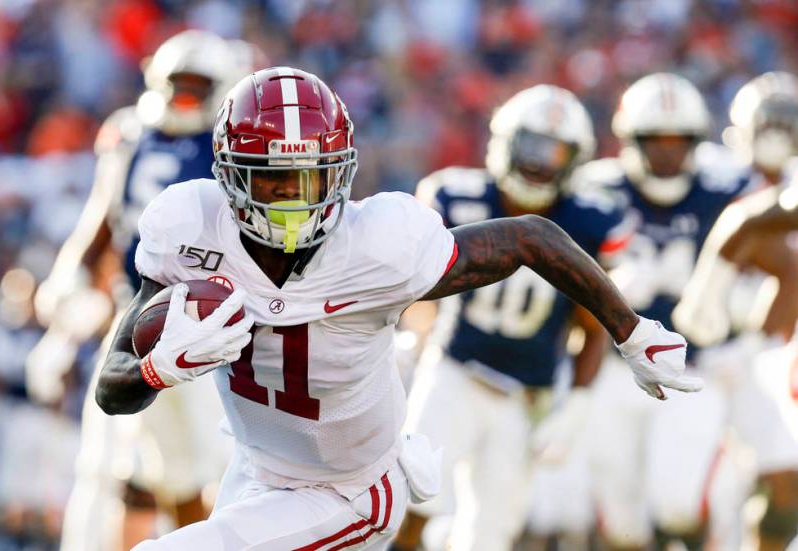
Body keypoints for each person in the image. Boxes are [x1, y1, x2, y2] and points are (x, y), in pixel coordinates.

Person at [95, 66, 699, 550]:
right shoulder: (191, 229)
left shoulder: (379, 243)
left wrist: (631, 331)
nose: (291, 201)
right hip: (254, 473)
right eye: (272, 180)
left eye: (308, 178)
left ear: (340, 173)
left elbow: (529, 238)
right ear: (230, 177)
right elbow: (112, 389)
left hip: (350, 490)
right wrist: (158, 369)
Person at [35, 30, 253, 551]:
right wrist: (68, 287)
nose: (184, 95)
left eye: (198, 85)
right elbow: (105, 219)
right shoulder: (130, 133)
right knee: (138, 467)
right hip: (140, 316)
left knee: (229, 470)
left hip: (215, 323)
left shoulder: (236, 142)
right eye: (179, 82)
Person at [391, 85, 632, 551]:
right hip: (453, 372)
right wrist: (413, 338)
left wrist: (576, 406)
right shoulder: (456, 196)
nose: (541, 162)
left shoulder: (588, 220)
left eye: (555, 151)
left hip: (527, 395)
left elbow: (592, 322)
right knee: (409, 501)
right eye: (533, 146)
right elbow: (417, 287)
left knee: (491, 532)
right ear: (506, 141)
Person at [578, 72, 784, 550]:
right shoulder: (598, 189)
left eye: (678, 141)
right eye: (656, 140)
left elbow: (784, 264)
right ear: (632, 141)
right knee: (621, 518)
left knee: (678, 502)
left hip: (694, 366)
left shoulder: (725, 184)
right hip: (616, 367)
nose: (668, 152)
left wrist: (754, 343)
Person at [671, 72, 798, 551]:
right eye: (768, 122)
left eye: (787, 123)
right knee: (689, 492)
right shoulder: (710, 175)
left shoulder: (789, 184)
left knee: (784, 480)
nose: (777, 134)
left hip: (763, 352)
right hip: (700, 351)